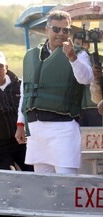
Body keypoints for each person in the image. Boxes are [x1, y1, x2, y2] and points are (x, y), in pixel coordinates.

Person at [15, 10, 94, 175]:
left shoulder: (79, 53)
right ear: (47, 30)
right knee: (43, 184)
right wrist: (20, 124)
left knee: (66, 183)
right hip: (36, 131)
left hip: (63, 129)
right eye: (56, 29)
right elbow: (25, 93)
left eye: (65, 30)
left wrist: (72, 57)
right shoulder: (31, 56)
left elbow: (85, 78)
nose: (61, 34)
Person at [72, 32, 103, 126]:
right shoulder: (71, 60)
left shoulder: (99, 60)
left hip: (95, 108)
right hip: (77, 109)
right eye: (77, 44)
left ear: (88, 45)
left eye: (83, 43)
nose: (80, 46)